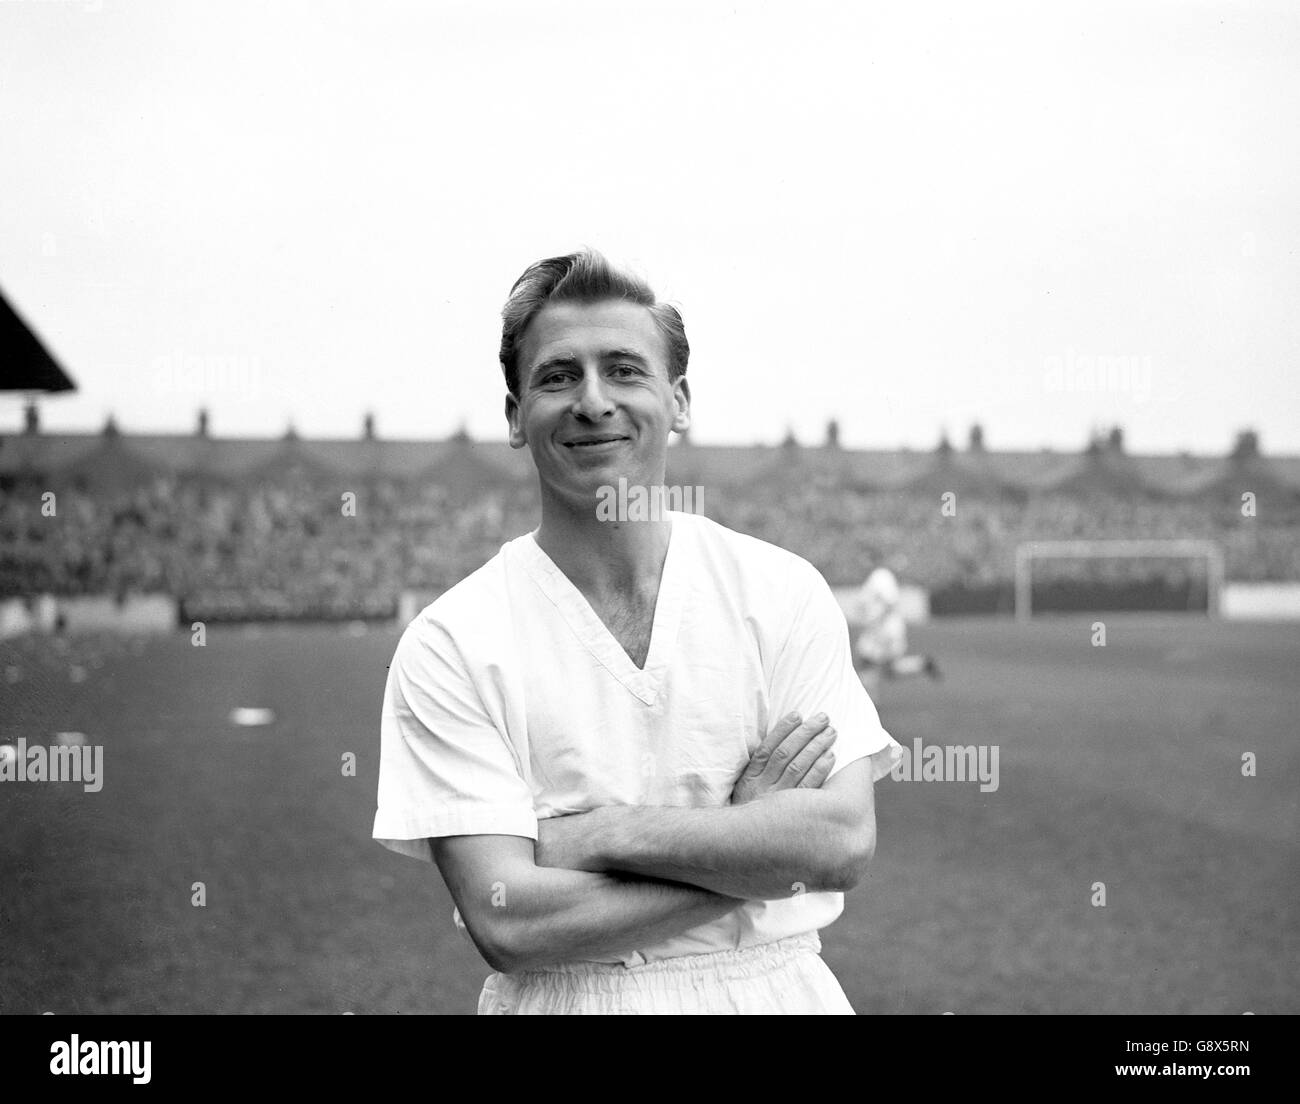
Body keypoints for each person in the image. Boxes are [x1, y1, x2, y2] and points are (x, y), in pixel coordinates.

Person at [373, 250, 901, 1014]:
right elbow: (509, 923)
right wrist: (745, 841)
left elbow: (839, 843)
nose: (593, 401)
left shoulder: (780, 593)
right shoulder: (451, 642)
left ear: (678, 400)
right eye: (558, 376)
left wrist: (600, 834)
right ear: (516, 415)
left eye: (624, 370)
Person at [854, 564, 941, 699]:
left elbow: (890, 603)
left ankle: (868, 702)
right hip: (879, 628)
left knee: (868, 663)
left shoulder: (881, 576)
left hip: (885, 629)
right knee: (890, 669)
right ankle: (921, 664)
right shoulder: (873, 578)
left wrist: (875, 622)